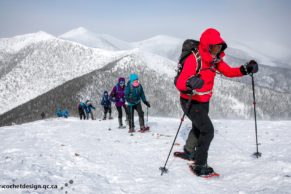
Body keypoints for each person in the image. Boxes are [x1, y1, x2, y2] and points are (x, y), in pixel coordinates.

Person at [175, 28, 258, 176]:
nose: (216, 50)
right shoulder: (194, 59)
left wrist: (245, 69)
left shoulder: (215, 60)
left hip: (204, 100)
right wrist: (190, 83)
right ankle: (199, 164)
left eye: (219, 47)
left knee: (199, 126)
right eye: (214, 47)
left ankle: (188, 151)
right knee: (207, 131)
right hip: (190, 101)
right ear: (207, 45)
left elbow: (229, 71)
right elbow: (180, 82)